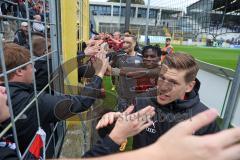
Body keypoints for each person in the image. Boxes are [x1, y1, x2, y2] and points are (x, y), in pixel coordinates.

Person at [0, 43, 108, 157]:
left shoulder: (12, 92)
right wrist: (99, 74)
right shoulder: (28, 102)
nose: (35, 69)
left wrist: (82, 54)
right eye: (31, 65)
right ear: (19, 71)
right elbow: (81, 102)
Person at [132, 52, 220, 149]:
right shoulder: (141, 101)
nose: (163, 87)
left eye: (173, 82)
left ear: (189, 86)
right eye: (162, 77)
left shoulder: (203, 119)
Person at [86, 109, 240, 160]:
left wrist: (116, 137)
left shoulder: (201, 114)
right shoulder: (145, 103)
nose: (164, 86)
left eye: (172, 81)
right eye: (162, 79)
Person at [111, 35, 142, 111]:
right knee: (121, 117)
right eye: (124, 42)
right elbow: (113, 71)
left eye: (128, 43)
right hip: (122, 95)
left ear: (134, 43)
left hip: (137, 96)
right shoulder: (119, 56)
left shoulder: (142, 58)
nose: (125, 45)